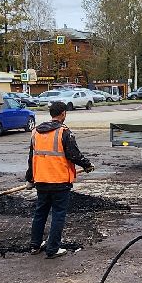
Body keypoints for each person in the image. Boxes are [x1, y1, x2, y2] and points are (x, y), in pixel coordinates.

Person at [26, 100, 94, 258]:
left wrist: (29, 179)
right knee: (58, 214)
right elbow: (74, 155)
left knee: (40, 213)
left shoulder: (36, 131)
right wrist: (87, 165)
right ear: (63, 113)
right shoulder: (64, 132)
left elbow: (31, 158)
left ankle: (35, 246)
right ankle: (52, 249)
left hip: (41, 181)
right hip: (59, 182)